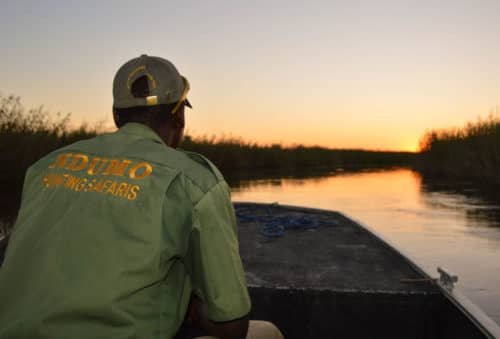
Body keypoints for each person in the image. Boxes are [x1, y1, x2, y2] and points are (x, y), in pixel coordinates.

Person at [0, 55, 282, 339]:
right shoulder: (196, 181)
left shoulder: (43, 167)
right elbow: (232, 325)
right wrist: (189, 309)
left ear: (116, 116)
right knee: (266, 333)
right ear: (179, 115)